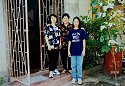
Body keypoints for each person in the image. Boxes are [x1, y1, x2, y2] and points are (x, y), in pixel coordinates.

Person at [67, 16, 87, 85]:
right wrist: (68, 51)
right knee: (73, 65)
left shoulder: (82, 31)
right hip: (72, 51)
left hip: (80, 51)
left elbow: (84, 41)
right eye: (74, 21)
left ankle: (79, 78)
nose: (76, 23)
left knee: (79, 65)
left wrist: (84, 50)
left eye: (77, 21)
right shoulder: (71, 31)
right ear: (73, 22)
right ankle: (74, 77)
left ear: (79, 22)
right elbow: (69, 41)